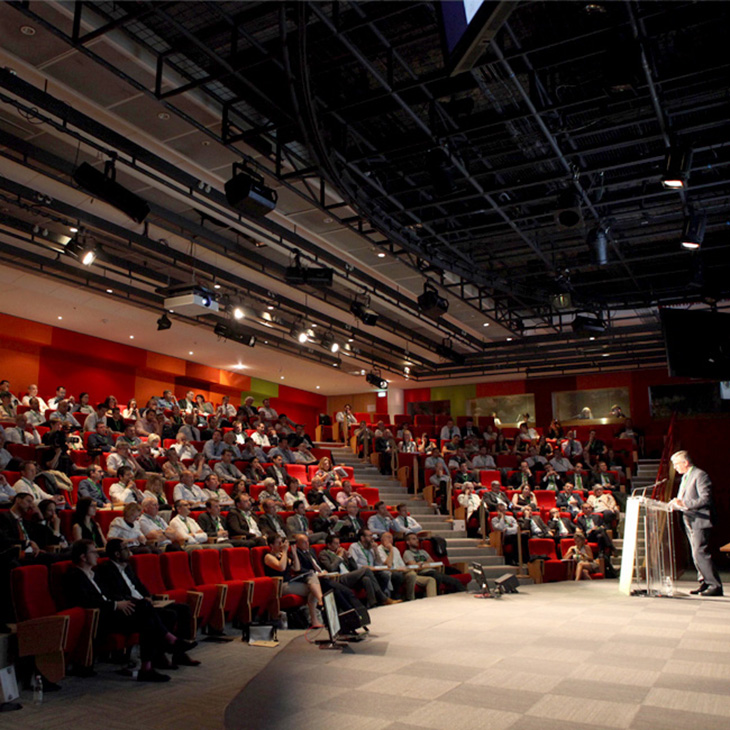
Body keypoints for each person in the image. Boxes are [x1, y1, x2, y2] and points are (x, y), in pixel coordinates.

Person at [65, 539, 197, 682]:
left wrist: (125, 602)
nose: (97, 555)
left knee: (151, 618)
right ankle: (169, 643)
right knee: (147, 612)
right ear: (83, 557)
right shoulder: (75, 576)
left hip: (113, 611)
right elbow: (87, 602)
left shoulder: (94, 574)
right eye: (93, 552)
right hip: (102, 618)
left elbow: (112, 593)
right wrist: (116, 605)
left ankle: (149, 666)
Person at [669, 450, 723, 596]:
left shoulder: (699, 475)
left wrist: (684, 503)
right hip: (688, 519)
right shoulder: (686, 477)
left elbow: (705, 499)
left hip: (699, 519)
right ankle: (704, 582)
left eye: (676, 464)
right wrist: (676, 503)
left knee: (700, 552)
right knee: (695, 553)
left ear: (685, 462)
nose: (675, 467)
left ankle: (714, 585)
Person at [319, 533, 397, 607]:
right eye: (336, 544)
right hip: (339, 578)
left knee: (366, 579)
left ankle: (372, 604)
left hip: (349, 575)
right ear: (329, 545)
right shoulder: (324, 554)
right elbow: (331, 568)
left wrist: (349, 556)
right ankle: (382, 597)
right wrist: (339, 557)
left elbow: (354, 567)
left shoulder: (341, 552)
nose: (339, 546)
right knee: (366, 570)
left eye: (339, 543)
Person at [263, 534, 323, 627]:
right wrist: (285, 551)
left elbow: (297, 568)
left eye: (282, 542)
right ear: (271, 545)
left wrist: (294, 553)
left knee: (311, 577)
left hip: (290, 582)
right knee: (313, 589)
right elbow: (281, 567)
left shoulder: (283, 555)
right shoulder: (268, 557)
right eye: (278, 543)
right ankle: (319, 603)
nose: (281, 545)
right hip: (279, 586)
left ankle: (315, 616)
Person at [402, 534, 467, 593]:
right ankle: (437, 597)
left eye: (417, 538)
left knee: (455, 581)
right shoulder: (407, 553)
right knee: (437, 576)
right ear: (408, 542)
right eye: (414, 539)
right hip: (422, 573)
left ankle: (466, 595)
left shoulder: (423, 551)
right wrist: (425, 564)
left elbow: (432, 562)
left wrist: (421, 563)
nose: (417, 540)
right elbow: (414, 566)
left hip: (433, 571)